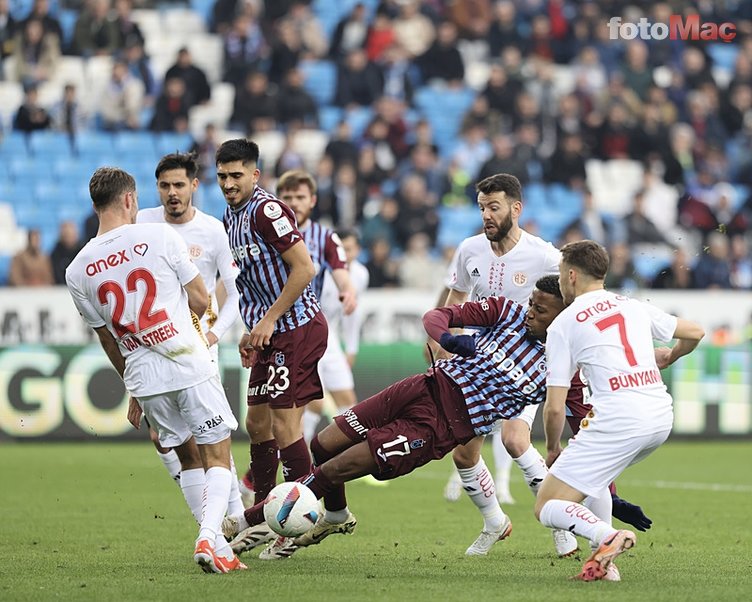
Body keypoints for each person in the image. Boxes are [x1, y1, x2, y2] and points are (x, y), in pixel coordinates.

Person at [221, 275, 568, 559]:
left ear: (560, 316)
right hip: (420, 387)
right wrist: (449, 339)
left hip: (437, 428)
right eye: (531, 304)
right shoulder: (507, 311)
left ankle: (248, 521)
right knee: (323, 445)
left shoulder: (560, 365)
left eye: (540, 310)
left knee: (333, 469)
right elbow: (436, 316)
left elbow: (578, 411)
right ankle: (337, 515)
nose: (530, 312)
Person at [65, 167, 244, 574]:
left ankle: (221, 548)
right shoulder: (161, 236)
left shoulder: (77, 270)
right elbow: (201, 298)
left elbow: (108, 340)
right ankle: (208, 538)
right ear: (130, 200)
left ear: (95, 205)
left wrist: (133, 384)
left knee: (186, 458)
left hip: (144, 378)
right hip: (187, 361)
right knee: (218, 453)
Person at [425, 173, 577, 557]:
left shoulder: (544, 255)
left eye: (494, 207)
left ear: (516, 208)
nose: (486, 215)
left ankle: (559, 523)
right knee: (463, 453)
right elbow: (455, 297)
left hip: (524, 363)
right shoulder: (470, 249)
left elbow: (573, 299)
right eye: (481, 208)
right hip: (479, 360)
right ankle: (494, 521)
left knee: (513, 439)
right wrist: (443, 338)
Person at [535, 240, 704, 582]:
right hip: (659, 417)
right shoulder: (632, 305)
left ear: (570, 276)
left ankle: (606, 537)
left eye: (560, 274)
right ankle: (607, 564)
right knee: (593, 478)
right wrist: (670, 356)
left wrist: (553, 448)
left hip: (619, 419)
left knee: (546, 505)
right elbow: (696, 332)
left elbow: (555, 407)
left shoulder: (563, 325)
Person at [216, 139, 328, 560]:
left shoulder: (268, 210)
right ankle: (264, 514)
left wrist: (268, 320)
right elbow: (246, 284)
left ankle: (299, 521)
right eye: (222, 175)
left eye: (236, 175)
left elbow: (305, 268)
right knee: (257, 424)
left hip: (297, 327)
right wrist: (252, 330)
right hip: (269, 333)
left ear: (255, 175)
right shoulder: (229, 217)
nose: (228, 183)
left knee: (285, 428)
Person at [136, 152, 242, 516]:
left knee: (213, 442)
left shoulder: (213, 229)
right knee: (165, 440)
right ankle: (210, 523)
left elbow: (234, 294)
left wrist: (212, 337)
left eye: (179, 184)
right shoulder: (142, 223)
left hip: (197, 348)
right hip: (154, 350)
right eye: (164, 186)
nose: (172, 193)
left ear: (194, 185)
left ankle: (235, 519)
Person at [272, 170, 357, 448]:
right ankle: (271, 473)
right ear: (278, 201)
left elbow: (341, 273)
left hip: (316, 327)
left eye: (300, 197)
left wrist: (348, 291)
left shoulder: (325, 238)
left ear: (313, 201)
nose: (294, 203)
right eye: (288, 197)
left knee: (347, 401)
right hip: (277, 330)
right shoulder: (266, 235)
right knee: (282, 413)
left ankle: (336, 462)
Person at [50, 221, 83, 285]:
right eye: (66, 235)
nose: (68, 238)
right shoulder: (56, 253)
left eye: (70, 235)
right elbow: (56, 274)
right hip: (61, 289)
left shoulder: (82, 251)